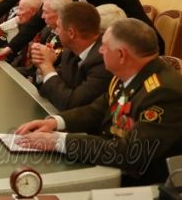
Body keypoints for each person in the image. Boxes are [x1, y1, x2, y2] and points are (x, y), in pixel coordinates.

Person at [15, 18, 182, 186]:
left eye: (104, 46)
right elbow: (96, 110)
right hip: (109, 165)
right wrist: (55, 122)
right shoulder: (128, 73)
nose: (100, 51)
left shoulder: (164, 93)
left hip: (143, 184)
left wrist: (58, 141)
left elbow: (131, 153)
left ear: (121, 55)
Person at [31, 2, 112, 111]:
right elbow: (47, 90)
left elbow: (70, 104)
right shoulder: (69, 51)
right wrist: (42, 67)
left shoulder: (103, 61)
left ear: (71, 33)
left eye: (58, 27)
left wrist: (47, 66)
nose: (56, 31)